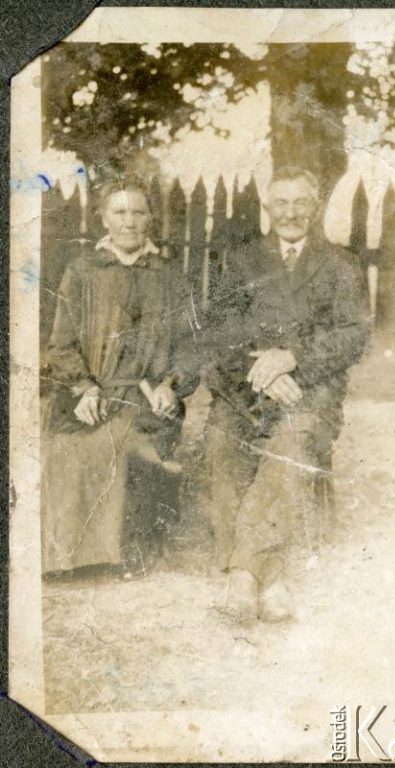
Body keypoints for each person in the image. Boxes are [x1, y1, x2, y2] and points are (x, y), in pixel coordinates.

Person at [203, 166, 370, 622]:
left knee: (290, 444)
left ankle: (242, 574)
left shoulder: (340, 265)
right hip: (247, 387)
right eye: (282, 203)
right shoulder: (242, 261)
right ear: (268, 208)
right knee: (221, 440)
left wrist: (291, 358)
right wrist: (261, 369)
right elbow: (219, 332)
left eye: (300, 203)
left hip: (310, 389)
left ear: (314, 208)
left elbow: (354, 335)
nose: (291, 212)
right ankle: (269, 575)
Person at [41, 176, 199, 578]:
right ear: (103, 218)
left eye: (137, 212)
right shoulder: (82, 271)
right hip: (92, 394)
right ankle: (70, 556)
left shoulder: (168, 275)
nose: (129, 222)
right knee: (73, 445)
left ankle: (126, 550)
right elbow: (61, 345)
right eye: (119, 212)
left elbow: (188, 346)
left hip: (147, 398)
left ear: (150, 218)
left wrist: (171, 385)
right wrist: (84, 387)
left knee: (129, 442)